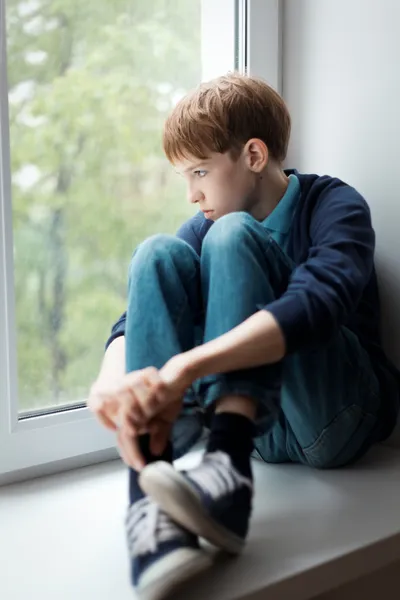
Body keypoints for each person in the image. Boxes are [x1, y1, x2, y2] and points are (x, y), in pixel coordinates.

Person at [88, 73, 400, 600]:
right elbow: (130, 320)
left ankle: (227, 466)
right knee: (156, 253)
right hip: (262, 434)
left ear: (254, 155)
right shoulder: (203, 224)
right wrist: (109, 381)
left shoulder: (333, 204)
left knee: (232, 235)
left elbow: (318, 305)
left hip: (334, 419)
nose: (192, 195)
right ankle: (151, 500)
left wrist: (191, 365)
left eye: (200, 172)